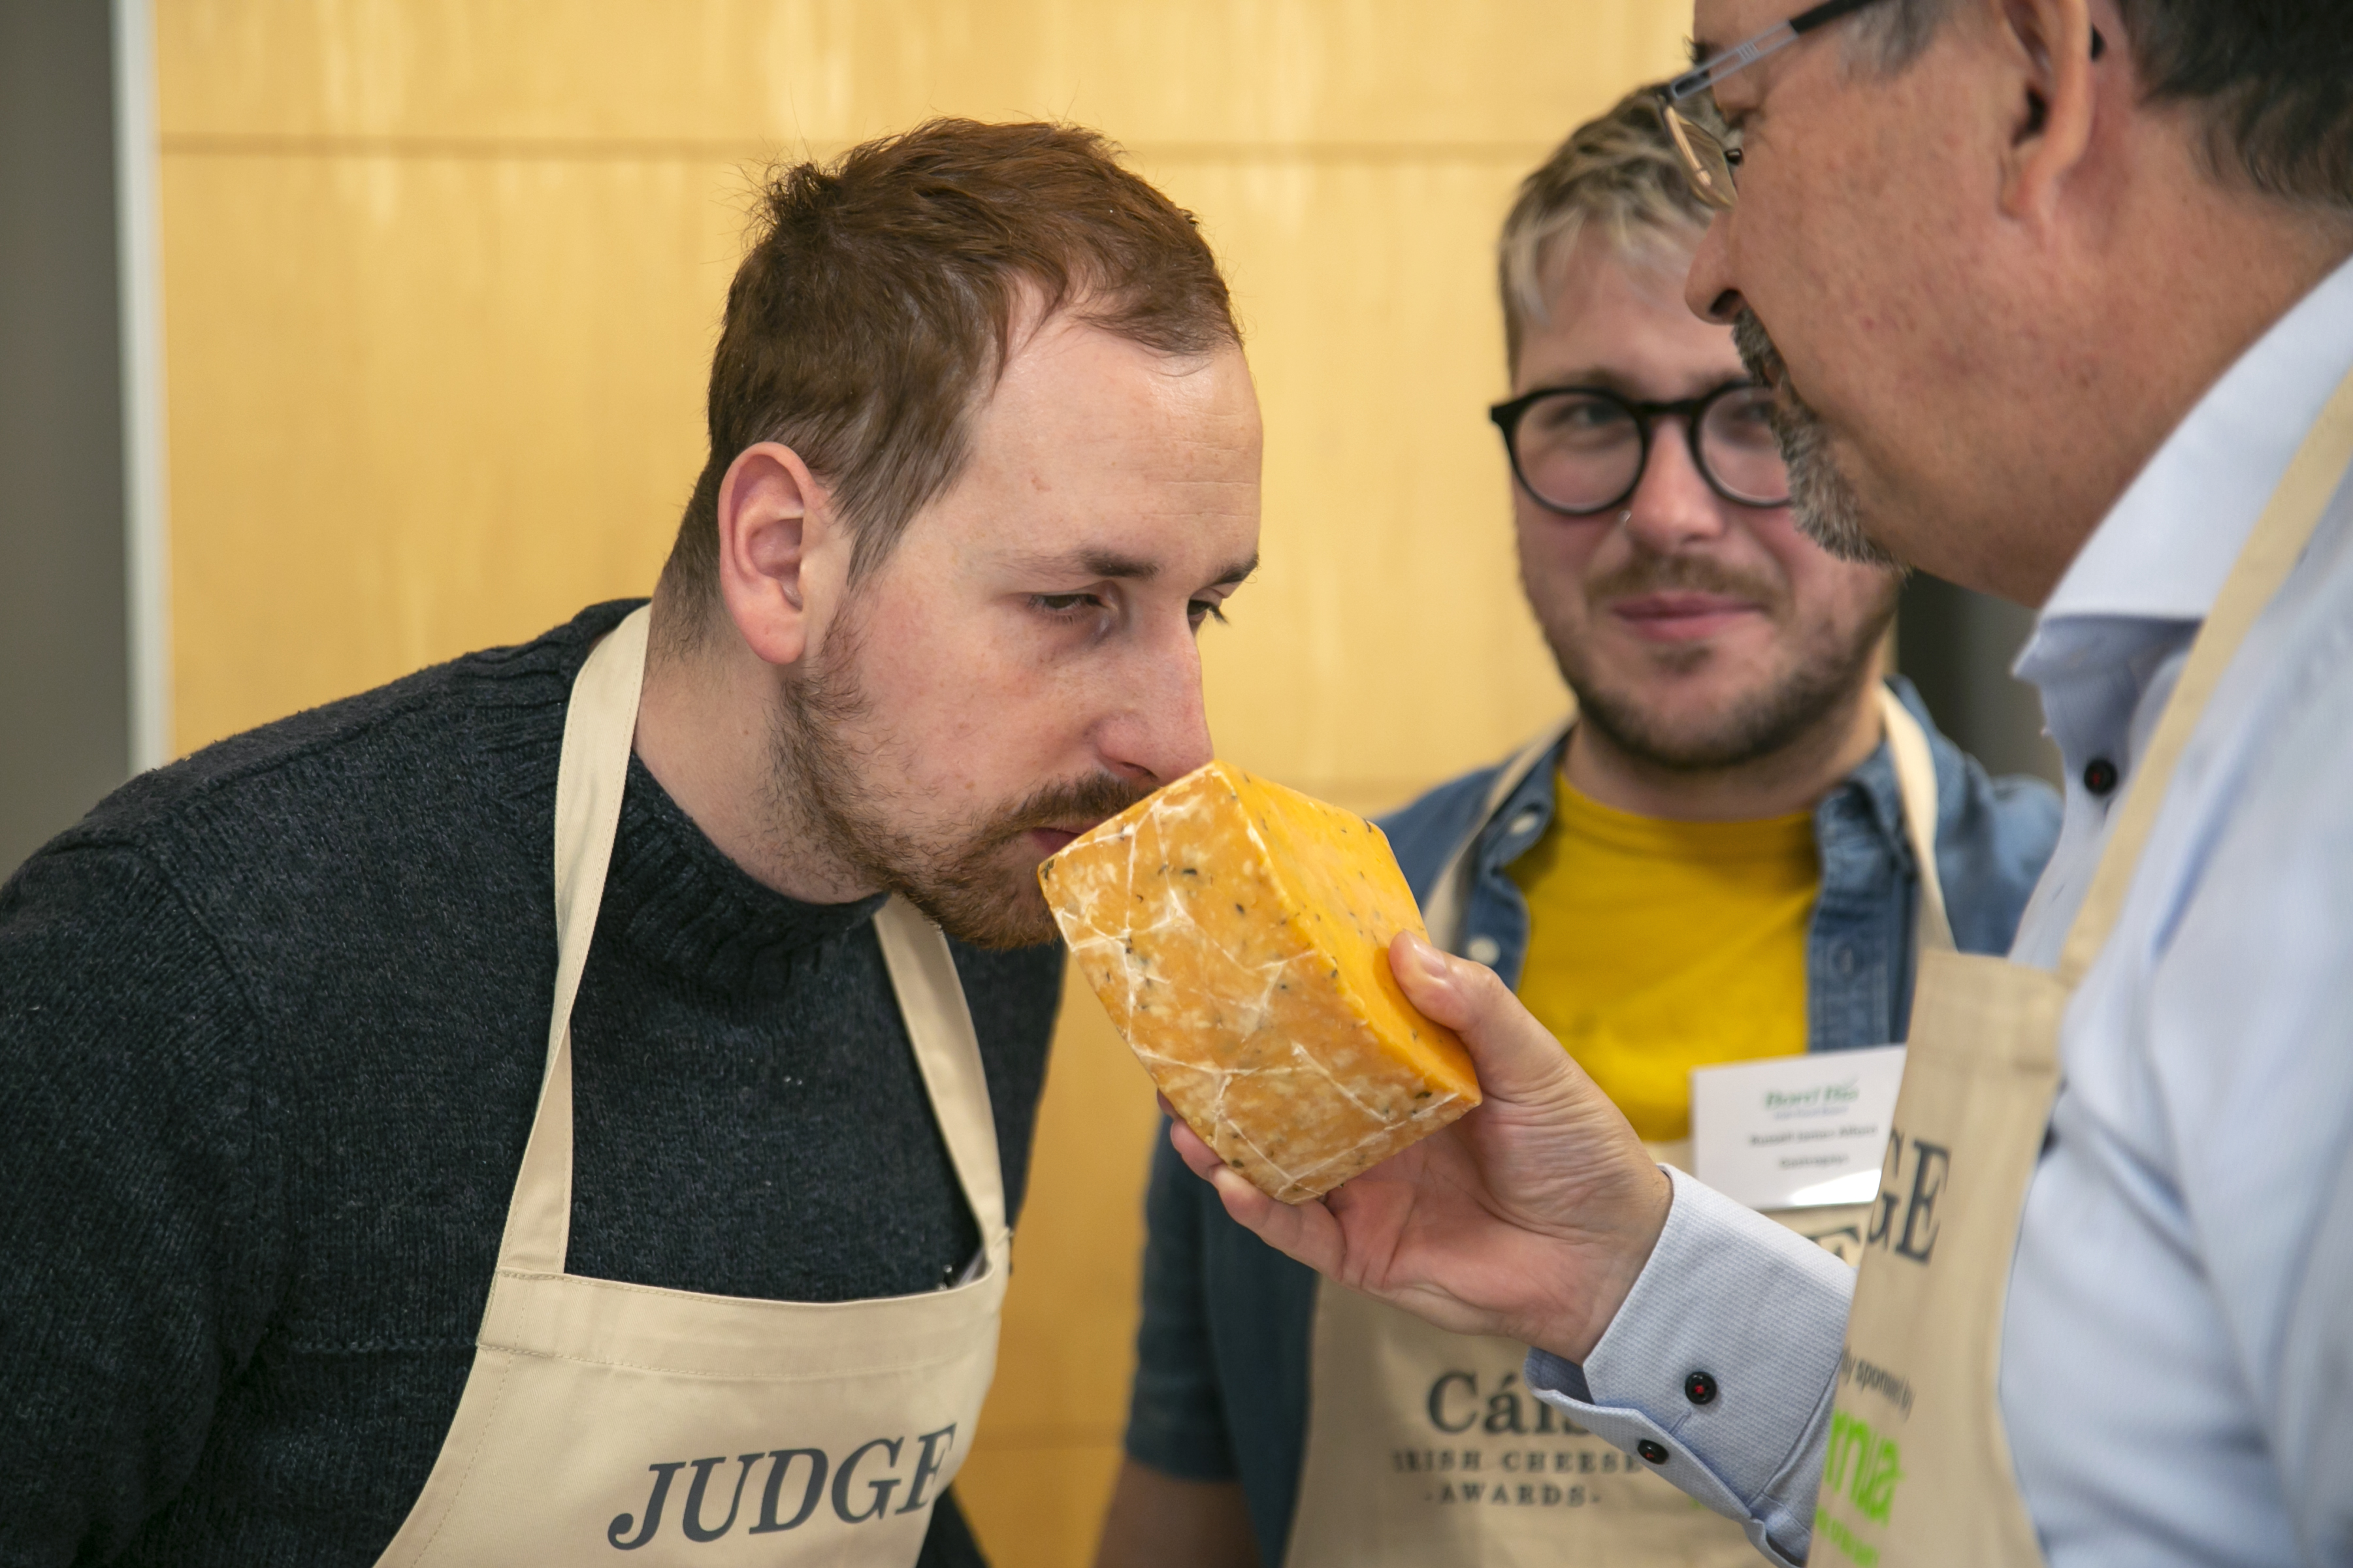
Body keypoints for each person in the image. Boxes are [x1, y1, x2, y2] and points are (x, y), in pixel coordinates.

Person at [1176, 2, 2353, 1565]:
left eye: (1738, 120)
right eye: (1594, 416)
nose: (1720, 260)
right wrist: (1628, 1274)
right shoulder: (2171, 713)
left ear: (2035, 80)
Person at [0, 119, 1261, 1567]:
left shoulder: (986, 901)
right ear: (784, 556)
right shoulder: (191, 965)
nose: (1176, 746)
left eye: (1202, 608)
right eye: (1075, 605)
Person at [1097, 88, 2058, 1568]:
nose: (1666, 512)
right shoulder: (1278, 952)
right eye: (1592, 417)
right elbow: (1186, 1504)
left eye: (1755, 411)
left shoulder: (2072, 934)